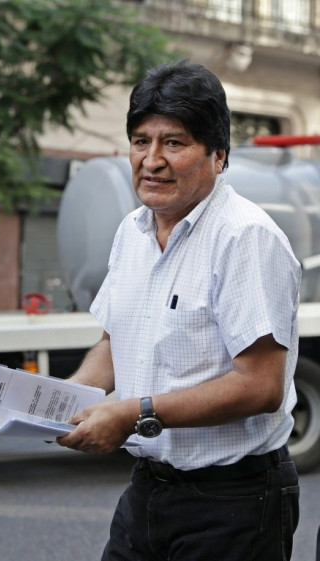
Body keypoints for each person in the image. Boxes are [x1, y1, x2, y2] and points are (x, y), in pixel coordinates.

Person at [56, 62, 301, 561]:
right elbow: (113, 343)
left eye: (174, 143)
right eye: (141, 141)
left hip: (235, 500)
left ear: (218, 155)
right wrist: (60, 404)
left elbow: (260, 385)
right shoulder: (132, 230)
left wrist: (131, 414)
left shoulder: (244, 237)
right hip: (149, 489)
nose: (152, 160)